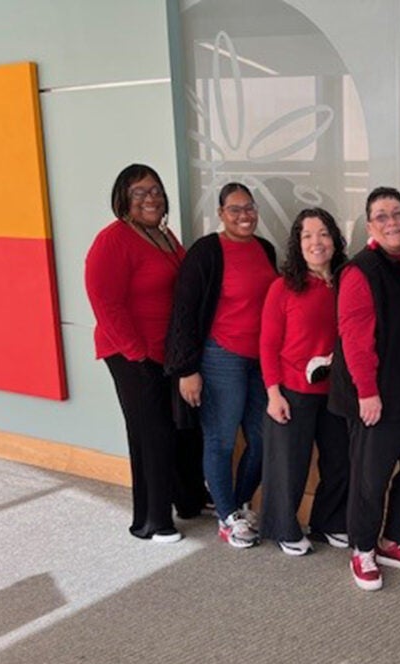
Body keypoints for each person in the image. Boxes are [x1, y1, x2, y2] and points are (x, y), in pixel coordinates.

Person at [85, 163, 206, 543]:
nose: (150, 197)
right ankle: (152, 521)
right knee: (150, 434)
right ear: (123, 199)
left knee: (182, 429)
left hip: (168, 353)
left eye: (155, 190)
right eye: (140, 192)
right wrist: (136, 354)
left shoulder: (165, 236)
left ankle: (187, 500)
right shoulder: (113, 240)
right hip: (131, 354)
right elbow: (104, 301)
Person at [329, 187, 400, 591]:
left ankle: (392, 540)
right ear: (371, 225)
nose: (391, 220)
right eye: (381, 215)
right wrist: (367, 392)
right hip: (373, 394)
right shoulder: (360, 270)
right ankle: (362, 550)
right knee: (370, 477)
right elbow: (354, 338)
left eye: (397, 213)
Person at [166, 182, 278, 549]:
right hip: (220, 357)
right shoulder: (206, 252)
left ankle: (236, 502)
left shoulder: (265, 249)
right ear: (221, 214)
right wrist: (186, 368)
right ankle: (228, 517)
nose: (244, 215)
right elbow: (183, 311)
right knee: (221, 439)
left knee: (263, 439)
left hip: (260, 359)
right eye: (235, 209)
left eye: (249, 208)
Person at [258, 208, 350, 556]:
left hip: (336, 390)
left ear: (335, 240)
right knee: (289, 464)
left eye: (323, 233)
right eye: (307, 235)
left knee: (340, 460)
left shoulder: (347, 281)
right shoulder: (282, 287)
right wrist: (272, 393)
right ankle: (282, 526)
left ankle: (327, 522)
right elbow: (267, 343)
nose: (316, 242)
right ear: (298, 243)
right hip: (292, 390)